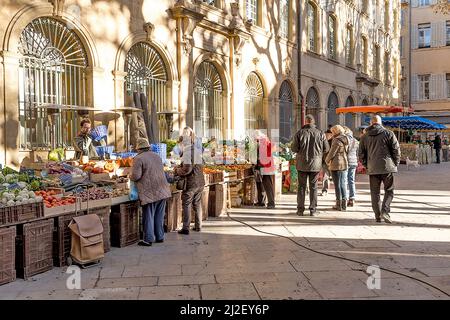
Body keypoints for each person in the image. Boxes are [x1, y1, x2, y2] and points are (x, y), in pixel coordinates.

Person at [359, 115, 400, 223]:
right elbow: (396, 150)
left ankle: (377, 215)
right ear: (380, 123)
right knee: (389, 190)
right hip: (387, 167)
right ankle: (385, 211)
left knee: (375, 192)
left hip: (373, 168)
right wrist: (395, 163)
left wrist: (367, 165)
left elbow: (361, 154)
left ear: (371, 123)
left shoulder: (364, 136)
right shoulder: (389, 133)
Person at [130, 138, 171, 246]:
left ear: (138, 148)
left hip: (149, 191)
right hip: (162, 189)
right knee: (159, 215)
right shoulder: (156, 156)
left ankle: (148, 239)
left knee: (148, 215)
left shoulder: (138, 158)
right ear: (148, 147)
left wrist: (129, 176)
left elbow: (136, 176)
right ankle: (160, 236)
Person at [291, 115, 329, 216]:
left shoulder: (299, 133)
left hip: (302, 164)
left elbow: (294, 148)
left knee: (301, 187)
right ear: (313, 122)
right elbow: (326, 148)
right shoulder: (320, 133)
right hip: (315, 164)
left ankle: (300, 210)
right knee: (314, 187)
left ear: (305, 121)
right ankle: (313, 210)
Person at [175, 127, 205, 235]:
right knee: (197, 203)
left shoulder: (188, 152)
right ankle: (198, 226)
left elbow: (187, 169)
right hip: (200, 182)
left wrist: (177, 170)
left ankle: (186, 228)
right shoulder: (197, 151)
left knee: (186, 203)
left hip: (191, 183)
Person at [325, 125, 349, 211]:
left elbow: (332, 153)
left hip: (336, 164)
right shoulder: (346, 138)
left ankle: (338, 204)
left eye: (332, 132)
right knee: (343, 183)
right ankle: (344, 203)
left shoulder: (336, 140)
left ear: (335, 131)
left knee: (337, 185)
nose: (331, 133)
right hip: (344, 163)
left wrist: (326, 160)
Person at [254, 130, 276, 209]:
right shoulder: (265, 141)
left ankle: (271, 203)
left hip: (266, 166)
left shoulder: (263, 142)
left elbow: (262, 154)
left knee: (267, 184)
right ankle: (261, 201)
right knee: (260, 183)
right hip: (263, 165)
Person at [343, 126, 359, 207]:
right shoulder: (356, 141)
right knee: (351, 180)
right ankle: (352, 198)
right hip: (354, 162)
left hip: (346, 162)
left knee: (345, 181)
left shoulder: (345, 140)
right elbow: (357, 153)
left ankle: (345, 199)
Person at [320, 129, 334, 196]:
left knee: (334, 177)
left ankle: (339, 192)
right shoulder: (323, 141)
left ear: (331, 135)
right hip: (324, 162)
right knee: (325, 176)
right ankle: (324, 190)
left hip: (332, 163)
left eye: (328, 134)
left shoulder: (334, 142)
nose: (326, 136)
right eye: (325, 134)